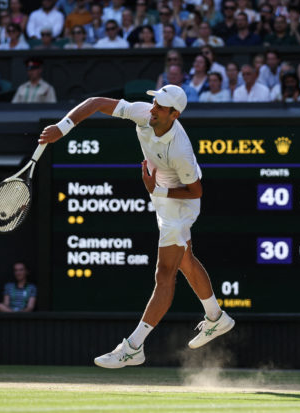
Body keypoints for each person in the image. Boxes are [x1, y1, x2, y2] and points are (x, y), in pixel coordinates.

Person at [38, 84, 235, 369]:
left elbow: (196, 191)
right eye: (154, 103)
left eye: (160, 107)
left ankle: (133, 347)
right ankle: (217, 318)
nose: (153, 109)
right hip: (162, 195)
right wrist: (62, 127)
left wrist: (157, 191)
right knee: (185, 261)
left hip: (179, 205)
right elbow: (95, 100)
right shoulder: (145, 114)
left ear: (174, 114)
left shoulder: (180, 150)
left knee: (164, 273)